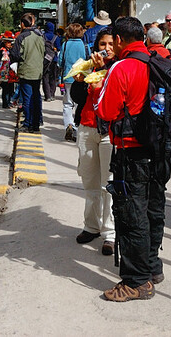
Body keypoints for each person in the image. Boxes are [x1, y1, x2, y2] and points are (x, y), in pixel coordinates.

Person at [96, 16, 168, 302]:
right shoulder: (159, 60)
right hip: (161, 151)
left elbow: (106, 111)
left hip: (132, 152)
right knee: (154, 209)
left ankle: (136, 283)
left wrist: (102, 75)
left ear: (118, 41)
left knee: (131, 216)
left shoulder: (122, 67)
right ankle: (152, 268)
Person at [72, 27, 116, 256]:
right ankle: (91, 226)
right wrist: (80, 81)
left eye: (110, 44)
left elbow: (112, 97)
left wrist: (102, 71)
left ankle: (110, 234)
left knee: (108, 184)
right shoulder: (87, 64)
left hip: (109, 131)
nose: (106, 49)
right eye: (102, 44)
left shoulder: (118, 68)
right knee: (89, 182)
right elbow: (77, 99)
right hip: (87, 127)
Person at [10, 13, 44, 133]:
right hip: (38, 71)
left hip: (26, 71)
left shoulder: (22, 37)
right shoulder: (40, 35)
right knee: (36, 96)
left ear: (23, 24)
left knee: (27, 97)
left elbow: (15, 54)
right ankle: (37, 123)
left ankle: (28, 123)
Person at [58, 23, 88, 142]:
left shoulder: (65, 45)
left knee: (68, 103)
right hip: (82, 78)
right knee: (80, 102)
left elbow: (60, 62)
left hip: (68, 77)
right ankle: (77, 126)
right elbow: (88, 60)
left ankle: (68, 125)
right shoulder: (84, 45)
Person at [0, 32, 18, 108]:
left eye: (11, 42)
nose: (10, 44)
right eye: (8, 42)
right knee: (6, 88)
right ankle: (5, 103)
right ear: (5, 42)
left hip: (10, 72)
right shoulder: (2, 51)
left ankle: (9, 102)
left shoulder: (10, 50)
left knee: (10, 88)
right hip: (4, 72)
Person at [42, 22, 62, 101]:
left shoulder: (42, 36)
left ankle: (47, 96)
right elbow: (59, 48)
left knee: (45, 77)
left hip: (45, 59)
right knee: (53, 77)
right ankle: (52, 94)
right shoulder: (55, 37)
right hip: (53, 59)